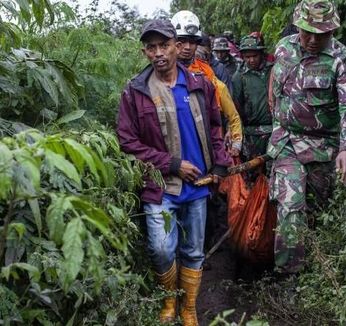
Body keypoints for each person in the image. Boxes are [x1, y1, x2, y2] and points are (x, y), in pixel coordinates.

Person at [116, 19, 232, 325]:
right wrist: (170, 164)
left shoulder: (201, 85)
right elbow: (127, 142)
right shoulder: (135, 92)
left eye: (164, 45)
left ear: (176, 45)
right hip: (159, 186)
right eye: (151, 47)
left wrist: (220, 163)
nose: (159, 53)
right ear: (145, 52)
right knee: (162, 248)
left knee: (193, 251)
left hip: (197, 187)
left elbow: (216, 127)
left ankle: (189, 308)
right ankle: (169, 300)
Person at [268, 0, 346, 274]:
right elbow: (276, 77)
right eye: (306, 32)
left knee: (320, 210)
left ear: (331, 31)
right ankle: (290, 276)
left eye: (320, 34)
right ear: (298, 25)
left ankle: (319, 271)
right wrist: (273, 98)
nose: (311, 40)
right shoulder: (284, 47)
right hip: (286, 142)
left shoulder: (342, 59)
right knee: (290, 205)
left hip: (323, 146)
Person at [171, 10, 242, 156]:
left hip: (204, 144)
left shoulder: (206, 73)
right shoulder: (161, 71)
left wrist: (236, 140)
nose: (187, 47)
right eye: (182, 41)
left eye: (192, 42)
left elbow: (231, 111)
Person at [232, 35, 273, 169]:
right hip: (251, 132)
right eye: (247, 57)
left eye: (254, 56)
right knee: (253, 170)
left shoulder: (272, 70)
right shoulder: (239, 76)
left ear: (261, 54)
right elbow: (236, 105)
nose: (251, 60)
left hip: (273, 128)